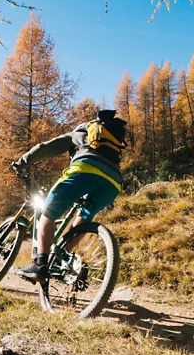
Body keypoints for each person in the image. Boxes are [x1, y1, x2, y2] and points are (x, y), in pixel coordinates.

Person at [11, 110, 127, 283]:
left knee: (47, 214)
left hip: (84, 170)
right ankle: (61, 258)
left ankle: (40, 265)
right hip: (113, 183)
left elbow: (47, 147)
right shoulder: (112, 142)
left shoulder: (81, 132)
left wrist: (22, 162)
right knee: (84, 217)